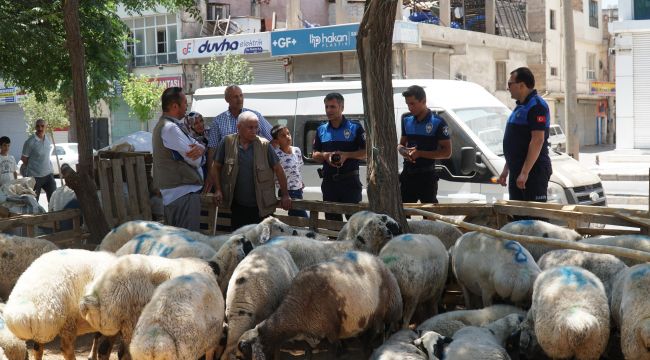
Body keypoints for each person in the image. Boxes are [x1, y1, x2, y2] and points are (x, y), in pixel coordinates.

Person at [209, 111, 291, 230]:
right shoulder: (227, 142)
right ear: (239, 127)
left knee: (261, 243)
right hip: (237, 207)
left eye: (256, 127)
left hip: (261, 207)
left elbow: (279, 170)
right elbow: (215, 167)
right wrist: (218, 189)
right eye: (250, 127)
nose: (254, 131)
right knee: (240, 242)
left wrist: (285, 195)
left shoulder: (265, 145)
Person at [153, 87, 206, 231]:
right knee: (187, 246)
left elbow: (196, 147)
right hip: (183, 196)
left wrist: (201, 148)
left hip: (179, 196)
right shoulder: (170, 128)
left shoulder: (170, 126)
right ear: (175, 106)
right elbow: (194, 160)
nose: (187, 106)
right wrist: (202, 156)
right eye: (184, 102)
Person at [498, 67, 552, 206]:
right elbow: (516, 144)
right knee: (518, 218)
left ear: (521, 85)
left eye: (510, 84)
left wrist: (525, 172)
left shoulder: (537, 106)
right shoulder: (520, 107)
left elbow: (538, 140)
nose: (508, 88)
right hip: (518, 171)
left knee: (534, 218)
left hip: (533, 172)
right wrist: (506, 170)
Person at [312, 93, 366, 221]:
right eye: (326, 107)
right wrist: (326, 156)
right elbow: (314, 154)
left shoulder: (355, 127)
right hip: (329, 183)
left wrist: (346, 155)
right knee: (332, 222)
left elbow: (366, 153)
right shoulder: (321, 130)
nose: (329, 110)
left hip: (350, 182)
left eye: (332, 107)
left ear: (342, 107)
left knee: (354, 222)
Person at [397, 85, 452, 204]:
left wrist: (420, 153)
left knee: (429, 216)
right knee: (403, 214)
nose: (410, 107)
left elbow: (447, 152)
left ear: (423, 101)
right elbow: (400, 145)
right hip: (408, 175)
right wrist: (403, 151)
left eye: (413, 104)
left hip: (427, 176)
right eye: (407, 104)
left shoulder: (438, 122)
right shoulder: (406, 119)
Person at [206, 85, 273, 172]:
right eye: (235, 97)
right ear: (227, 99)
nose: (239, 99)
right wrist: (211, 174)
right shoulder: (218, 121)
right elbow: (212, 149)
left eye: (241, 95)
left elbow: (272, 139)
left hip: (254, 169)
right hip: (228, 171)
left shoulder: (255, 116)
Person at [271, 124, 308, 218]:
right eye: (283, 136)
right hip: (287, 192)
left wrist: (300, 182)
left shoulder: (297, 150)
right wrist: (284, 194)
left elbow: (298, 168)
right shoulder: (275, 154)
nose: (287, 137)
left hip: (298, 190)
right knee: (303, 218)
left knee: (295, 218)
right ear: (276, 141)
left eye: (288, 134)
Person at [21, 119, 57, 201]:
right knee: (33, 202)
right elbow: (24, 158)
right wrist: (34, 169)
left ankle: (52, 214)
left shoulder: (47, 139)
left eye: (42, 126)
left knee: (53, 200)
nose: (40, 128)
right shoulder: (30, 142)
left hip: (48, 175)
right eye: (38, 126)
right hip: (35, 177)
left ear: (46, 127)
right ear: (35, 127)